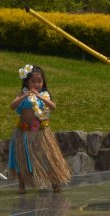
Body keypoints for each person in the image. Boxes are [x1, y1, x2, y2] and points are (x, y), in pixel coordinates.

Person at [8, 64, 71, 194]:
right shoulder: (22, 94)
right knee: (20, 159)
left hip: (41, 133)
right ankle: (21, 185)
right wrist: (24, 96)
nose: (36, 84)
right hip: (23, 133)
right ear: (27, 82)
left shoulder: (44, 95)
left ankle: (55, 181)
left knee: (47, 158)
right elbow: (12, 106)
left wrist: (41, 97)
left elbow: (53, 107)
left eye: (39, 81)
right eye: (33, 81)